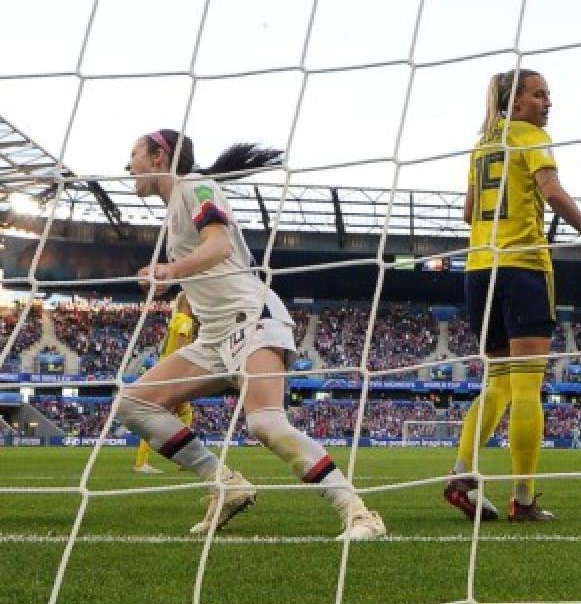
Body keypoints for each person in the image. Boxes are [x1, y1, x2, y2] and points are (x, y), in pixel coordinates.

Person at [114, 129, 385, 540]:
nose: (127, 164)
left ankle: (360, 514)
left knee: (267, 425)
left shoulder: (195, 186)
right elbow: (211, 264)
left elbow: (219, 245)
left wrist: (171, 271)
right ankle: (225, 484)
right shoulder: (176, 209)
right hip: (215, 335)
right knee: (133, 404)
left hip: (250, 319)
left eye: (133, 153)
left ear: (158, 157)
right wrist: (172, 280)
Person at [443, 69, 581, 523]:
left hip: (479, 271)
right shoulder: (531, 135)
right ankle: (525, 498)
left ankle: (461, 475)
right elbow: (551, 190)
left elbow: (468, 212)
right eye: (539, 94)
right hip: (523, 268)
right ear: (516, 103)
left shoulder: (481, 146)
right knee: (526, 386)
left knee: (496, 382)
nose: (548, 102)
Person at [133, 293, 196, 474]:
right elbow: (180, 350)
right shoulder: (185, 321)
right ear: (189, 303)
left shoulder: (176, 318)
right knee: (161, 415)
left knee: (184, 413)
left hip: (165, 369)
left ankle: (182, 459)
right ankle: (144, 462)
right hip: (173, 373)